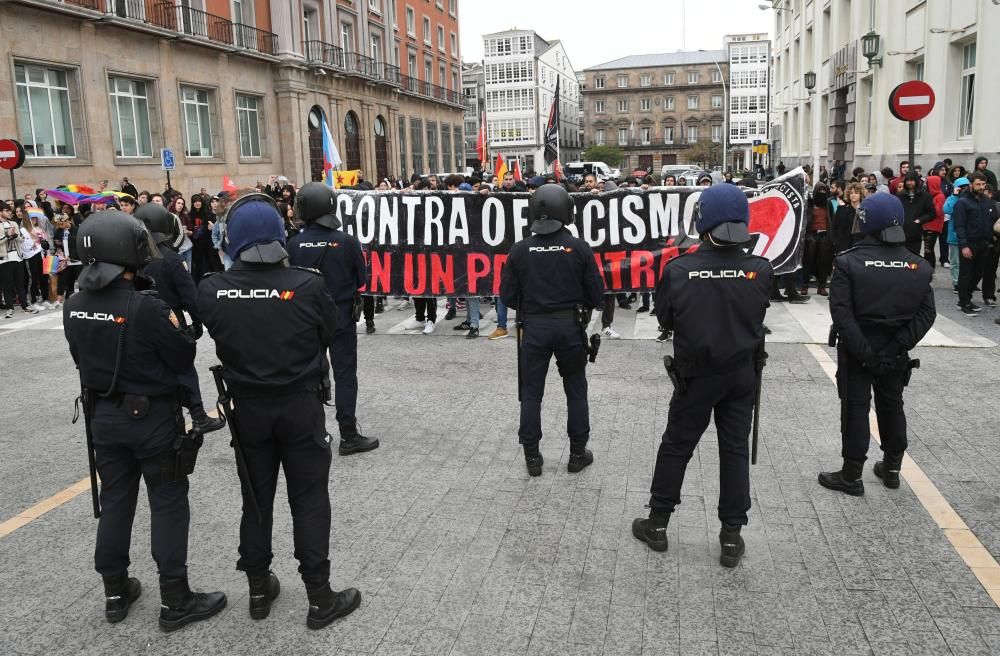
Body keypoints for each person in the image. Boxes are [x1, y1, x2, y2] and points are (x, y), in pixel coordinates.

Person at [197, 192, 361, 629]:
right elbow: (329, 329)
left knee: (256, 501)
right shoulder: (307, 284)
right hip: (299, 405)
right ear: (278, 234)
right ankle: (319, 597)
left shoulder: (213, 289)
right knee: (309, 500)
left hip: (248, 409)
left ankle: (257, 589)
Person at [64, 210, 226, 630]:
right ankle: (176, 598)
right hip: (151, 418)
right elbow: (181, 355)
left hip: (103, 417)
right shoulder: (147, 306)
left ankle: (115, 592)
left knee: (116, 501)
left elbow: (80, 358)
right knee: (168, 501)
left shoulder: (74, 305)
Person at [631, 184, 772, 567]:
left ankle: (658, 524)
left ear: (702, 220)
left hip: (696, 375)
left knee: (677, 446)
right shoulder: (760, 270)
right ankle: (731, 536)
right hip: (741, 374)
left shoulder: (679, 270)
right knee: (735, 450)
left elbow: (665, 319)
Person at [819, 194, 935, 495]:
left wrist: (867, 355)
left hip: (858, 349)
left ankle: (851, 475)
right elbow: (927, 313)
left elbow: (842, 314)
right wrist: (896, 346)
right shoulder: (918, 266)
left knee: (856, 409)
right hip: (896, 350)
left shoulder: (848, 261)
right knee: (892, 404)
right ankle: (892, 468)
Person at [500, 184, 604, 477]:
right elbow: (597, 295)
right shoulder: (579, 248)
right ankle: (577, 453)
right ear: (566, 212)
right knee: (576, 390)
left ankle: (532, 457)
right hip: (569, 327)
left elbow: (506, 296)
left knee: (531, 392)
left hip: (534, 328)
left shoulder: (520, 250)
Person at [288, 182, 378, 455]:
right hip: (340, 318)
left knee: (307, 377)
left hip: (305, 319)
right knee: (345, 376)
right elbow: (362, 279)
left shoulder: (293, 243)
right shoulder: (347, 241)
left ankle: (312, 434)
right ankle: (348, 435)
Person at [134, 202, 225, 434]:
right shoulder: (172, 259)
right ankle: (198, 416)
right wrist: (198, 321)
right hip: (169, 318)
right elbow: (190, 297)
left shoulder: (133, 258)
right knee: (184, 367)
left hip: (138, 319)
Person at [953, 172, 999, 315]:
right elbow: (959, 226)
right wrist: (964, 245)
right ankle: (964, 302)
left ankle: (966, 298)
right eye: (978, 184)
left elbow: (991, 219)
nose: (981, 187)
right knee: (966, 274)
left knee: (978, 273)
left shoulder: (986, 201)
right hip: (968, 243)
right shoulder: (962, 202)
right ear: (971, 184)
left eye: (983, 184)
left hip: (984, 243)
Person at [896, 172, 935, 255]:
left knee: (913, 258)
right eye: (907, 181)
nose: (909, 183)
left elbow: (931, 213)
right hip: (901, 232)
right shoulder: (899, 195)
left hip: (915, 232)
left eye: (912, 180)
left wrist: (920, 220)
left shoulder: (925, 196)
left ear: (916, 181)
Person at [922, 175, 946, 267]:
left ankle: (930, 268)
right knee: (927, 248)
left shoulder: (940, 196)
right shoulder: (931, 195)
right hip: (928, 225)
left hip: (933, 226)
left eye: (927, 183)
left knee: (928, 249)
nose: (925, 185)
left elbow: (937, 212)